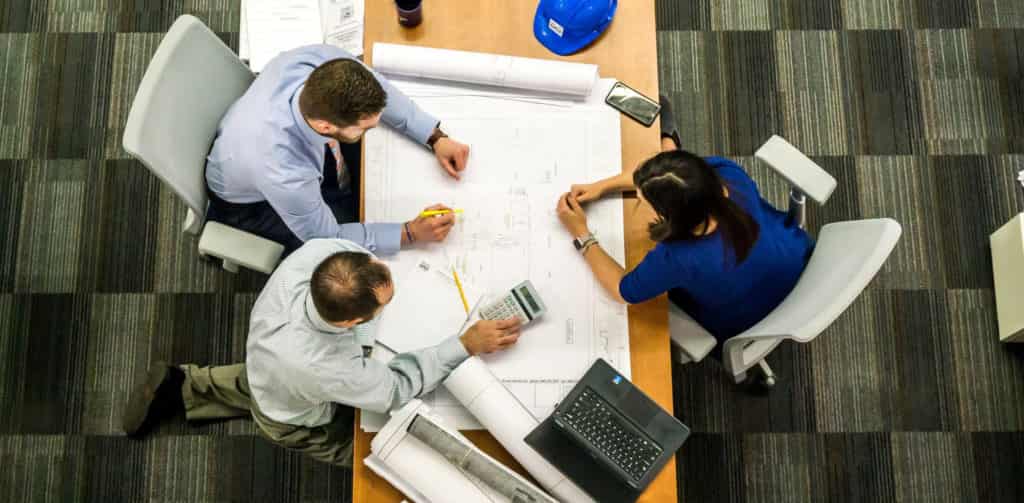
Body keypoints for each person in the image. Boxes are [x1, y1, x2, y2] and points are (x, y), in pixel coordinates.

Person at [122, 239, 521, 467]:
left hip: (268, 360)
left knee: (260, 381)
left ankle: (184, 385)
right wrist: (464, 344)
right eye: (385, 305)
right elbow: (395, 389)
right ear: (351, 324)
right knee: (374, 452)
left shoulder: (319, 256)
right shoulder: (328, 367)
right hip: (295, 414)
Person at [555, 97, 813, 377]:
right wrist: (601, 187)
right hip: (797, 260)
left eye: (644, 199)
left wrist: (581, 233)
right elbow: (677, 174)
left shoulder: (678, 258)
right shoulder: (727, 176)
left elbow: (622, 290)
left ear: (671, 215)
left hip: (746, 319)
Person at [205, 44, 472, 254]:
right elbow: (327, 237)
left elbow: (378, 88)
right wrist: (410, 233)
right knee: (345, 234)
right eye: (365, 128)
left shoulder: (320, 62)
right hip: (250, 205)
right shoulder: (284, 171)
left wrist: (434, 136)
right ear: (325, 126)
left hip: (253, 140)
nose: (373, 129)